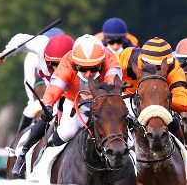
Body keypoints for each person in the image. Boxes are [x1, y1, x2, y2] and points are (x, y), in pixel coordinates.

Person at [10, 34, 122, 177]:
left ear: (101, 63)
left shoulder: (110, 59)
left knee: (128, 137)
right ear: (75, 64)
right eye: (83, 69)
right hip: (75, 102)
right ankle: (39, 166)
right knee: (66, 132)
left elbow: (112, 87)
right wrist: (48, 105)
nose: (88, 74)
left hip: (104, 103)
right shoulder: (67, 61)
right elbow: (54, 88)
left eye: (94, 69)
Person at [116, 37, 187, 171]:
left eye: (160, 68)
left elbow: (183, 103)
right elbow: (106, 75)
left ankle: (185, 151)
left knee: (172, 120)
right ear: (143, 61)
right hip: (130, 98)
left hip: (159, 101)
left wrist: (157, 101)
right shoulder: (127, 57)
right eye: (153, 66)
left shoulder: (173, 66)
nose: (157, 71)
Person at [0, 29, 74, 132]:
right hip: (48, 95)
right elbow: (21, 39)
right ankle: (20, 140)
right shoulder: (40, 47)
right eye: (55, 64)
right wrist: (5, 53)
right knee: (30, 111)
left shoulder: (73, 50)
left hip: (71, 95)